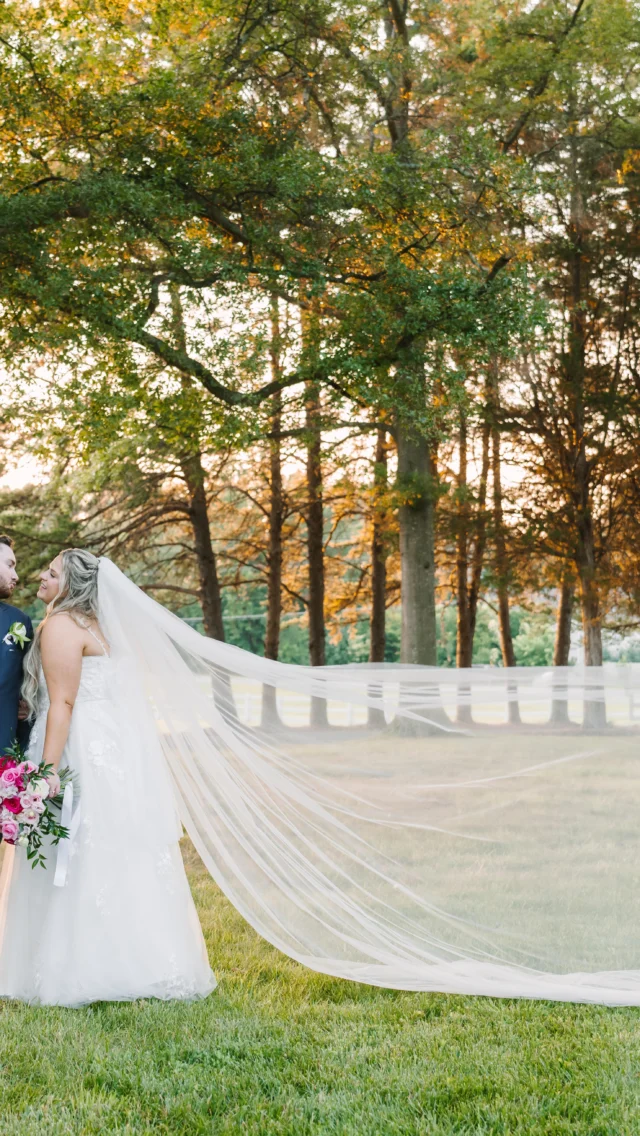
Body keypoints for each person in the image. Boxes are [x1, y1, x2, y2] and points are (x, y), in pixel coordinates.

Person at [0, 548, 216, 1006]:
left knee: (75, 851)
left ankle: (75, 970)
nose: (41, 575)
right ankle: (142, 963)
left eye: (52, 572)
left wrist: (48, 771)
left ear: (71, 585)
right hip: (113, 752)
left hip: (76, 746)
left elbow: (63, 703)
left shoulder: (60, 626)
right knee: (115, 852)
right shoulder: (100, 628)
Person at [0, 536, 33, 756]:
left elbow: (29, 684)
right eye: (9, 565)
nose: (16, 576)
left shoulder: (18, 621)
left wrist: (28, 703)